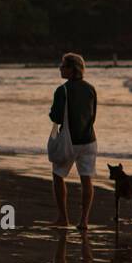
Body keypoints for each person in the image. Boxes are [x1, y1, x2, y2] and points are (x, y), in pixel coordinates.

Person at [47, 52, 98, 231]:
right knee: (86, 178)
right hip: (89, 140)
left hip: (69, 142)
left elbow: (56, 117)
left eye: (63, 66)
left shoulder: (62, 90)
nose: (60, 68)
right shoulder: (91, 88)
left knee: (58, 175)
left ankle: (63, 218)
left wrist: (51, 113)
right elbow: (93, 116)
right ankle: (83, 221)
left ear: (72, 69)